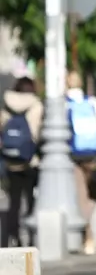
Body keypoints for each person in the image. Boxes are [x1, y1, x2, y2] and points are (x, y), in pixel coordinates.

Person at [65, 71, 96, 255]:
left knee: (81, 196)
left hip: (73, 155)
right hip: (93, 154)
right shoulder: (92, 102)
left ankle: (88, 235)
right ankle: (88, 232)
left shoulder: (63, 104)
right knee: (93, 194)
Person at [0, 77, 43, 248]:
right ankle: (31, 238)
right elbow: (38, 133)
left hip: (10, 161)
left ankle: (14, 238)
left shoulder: (6, 104)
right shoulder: (36, 106)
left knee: (14, 202)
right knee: (31, 199)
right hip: (30, 161)